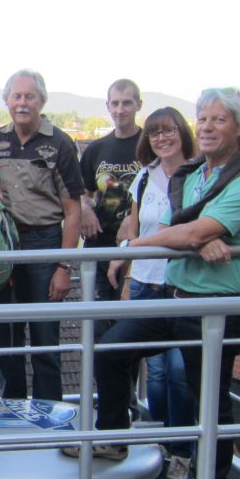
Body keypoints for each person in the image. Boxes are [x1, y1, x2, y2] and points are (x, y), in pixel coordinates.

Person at [75, 88, 240, 479]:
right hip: (175, 295)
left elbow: (187, 230)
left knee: (209, 402)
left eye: (219, 120)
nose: (207, 127)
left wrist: (154, 242)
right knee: (110, 350)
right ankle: (112, 438)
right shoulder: (194, 174)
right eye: (203, 119)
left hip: (216, 306)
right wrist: (197, 237)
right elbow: (173, 228)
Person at [108, 107, 196, 479]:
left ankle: (183, 451)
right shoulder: (145, 177)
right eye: (155, 133)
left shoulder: (198, 175)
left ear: (183, 133)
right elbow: (134, 228)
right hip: (145, 281)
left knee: (179, 372)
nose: (162, 138)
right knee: (156, 374)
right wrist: (126, 271)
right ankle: (161, 443)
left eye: (169, 130)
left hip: (180, 285)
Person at [0, 69, 84, 401]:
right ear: (7, 101)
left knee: (45, 335)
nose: (22, 103)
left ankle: (48, 411)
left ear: (42, 101)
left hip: (44, 245)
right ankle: (11, 406)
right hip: (6, 244)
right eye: (16, 96)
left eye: (30, 96)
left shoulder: (60, 144)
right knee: (6, 334)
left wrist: (64, 266)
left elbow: (73, 211)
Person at [80, 80, 144, 318]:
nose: (120, 109)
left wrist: (133, 219)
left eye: (127, 103)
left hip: (140, 247)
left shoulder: (151, 145)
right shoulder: (96, 149)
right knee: (96, 320)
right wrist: (84, 207)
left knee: (131, 322)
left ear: (138, 105)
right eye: (115, 103)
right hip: (100, 245)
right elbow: (81, 192)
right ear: (107, 105)